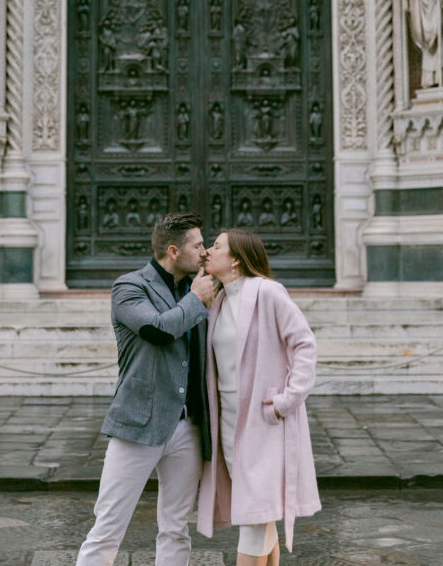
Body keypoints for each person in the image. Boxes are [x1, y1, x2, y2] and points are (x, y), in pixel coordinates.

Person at [75, 211, 216, 566]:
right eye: (198, 245)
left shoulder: (198, 288)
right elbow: (156, 330)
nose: (204, 251)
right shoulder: (129, 287)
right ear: (173, 251)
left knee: (176, 528)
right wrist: (197, 301)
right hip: (138, 424)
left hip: (189, 426)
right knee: (108, 527)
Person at [198, 229, 320, 565]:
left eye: (217, 246)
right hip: (228, 418)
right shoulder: (219, 300)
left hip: (264, 420)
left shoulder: (268, 292)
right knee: (259, 510)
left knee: (253, 513)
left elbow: (304, 344)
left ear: (236, 257)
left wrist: (287, 400)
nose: (208, 250)